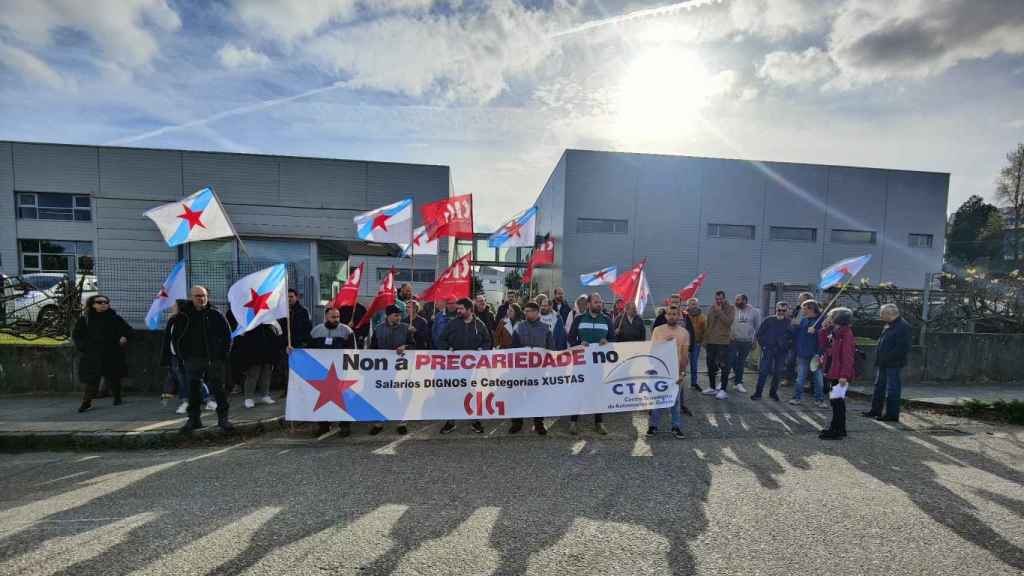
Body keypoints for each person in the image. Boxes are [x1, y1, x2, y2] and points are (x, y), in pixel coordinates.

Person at [173, 286, 233, 434]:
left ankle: (223, 419)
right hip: (193, 359)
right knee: (193, 391)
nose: (201, 298)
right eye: (198, 296)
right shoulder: (184, 316)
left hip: (214, 359)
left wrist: (222, 355)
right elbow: (176, 337)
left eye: (204, 295)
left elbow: (227, 336)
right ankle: (194, 420)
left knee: (219, 389)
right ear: (191, 298)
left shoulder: (216, 315)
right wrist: (184, 356)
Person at [438, 298, 493, 434]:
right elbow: (441, 339)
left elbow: (488, 342)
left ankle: (475, 421)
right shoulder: (453, 323)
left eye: (461, 309)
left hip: (473, 369)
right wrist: (448, 348)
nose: (458, 311)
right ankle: (451, 421)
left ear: (469, 309)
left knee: (473, 394)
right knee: (453, 393)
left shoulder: (479, 325)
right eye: (458, 308)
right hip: (455, 367)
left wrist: (482, 349)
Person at [73, 294, 133, 413]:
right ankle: (86, 402)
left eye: (105, 302)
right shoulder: (86, 319)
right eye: (99, 302)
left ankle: (117, 398)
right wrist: (84, 348)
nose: (103, 304)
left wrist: (124, 337)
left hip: (112, 352)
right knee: (92, 380)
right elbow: (77, 335)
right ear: (92, 304)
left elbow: (128, 330)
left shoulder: (114, 317)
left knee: (114, 377)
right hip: (93, 354)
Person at [568, 292, 615, 435]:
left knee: (598, 392)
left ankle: (599, 422)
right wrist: (579, 343)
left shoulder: (607, 320)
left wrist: (607, 343)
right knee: (578, 391)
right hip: (581, 363)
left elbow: (614, 339)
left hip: (599, 365)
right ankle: (573, 422)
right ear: (588, 304)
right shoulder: (579, 319)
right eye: (596, 302)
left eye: (600, 302)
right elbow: (570, 337)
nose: (599, 304)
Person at [309, 307, 355, 438]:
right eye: (333, 317)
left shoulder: (346, 331)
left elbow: (353, 351)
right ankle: (323, 425)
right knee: (322, 399)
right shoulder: (316, 331)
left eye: (338, 317)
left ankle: (345, 425)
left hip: (341, 372)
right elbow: (308, 350)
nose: (336, 319)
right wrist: (293, 351)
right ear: (326, 317)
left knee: (344, 399)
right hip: (321, 372)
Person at [370, 304, 416, 435]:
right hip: (383, 369)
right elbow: (372, 349)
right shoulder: (378, 329)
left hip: (402, 368)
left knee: (401, 394)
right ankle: (379, 421)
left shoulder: (406, 328)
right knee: (382, 395)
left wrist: (405, 347)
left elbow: (414, 346)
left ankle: (401, 422)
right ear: (388, 316)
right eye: (396, 315)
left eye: (400, 315)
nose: (399, 317)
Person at [509, 301, 554, 435]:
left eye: (528, 311)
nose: (525, 313)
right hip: (521, 369)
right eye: (525, 311)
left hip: (538, 370)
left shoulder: (546, 328)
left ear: (536, 312)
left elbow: (551, 348)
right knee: (517, 397)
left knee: (537, 397)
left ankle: (539, 423)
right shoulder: (519, 327)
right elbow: (513, 348)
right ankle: (517, 423)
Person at [162, 300, 214, 414]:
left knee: (195, 378)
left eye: (174, 306)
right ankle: (186, 402)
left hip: (187, 356)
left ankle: (207, 400)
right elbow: (168, 339)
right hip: (175, 356)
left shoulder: (186, 320)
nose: (172, 308)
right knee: (182, 380)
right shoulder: (172, 320)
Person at [647, 305, 689, 439]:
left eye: (675, 314)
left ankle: (676, 426)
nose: (672, 316)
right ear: (665, 316)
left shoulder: (684, 333)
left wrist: (682, 373)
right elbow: (652, 351)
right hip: (659, 370)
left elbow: (684, 355)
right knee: (656, 401)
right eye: (669, 314)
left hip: (675, 372)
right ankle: (653, 426)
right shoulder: (658, 330)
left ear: (679, 316)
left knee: (675, 402)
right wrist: (665, 343)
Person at [865, 303, 911, 422]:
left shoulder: (902, 326)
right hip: (884, 362)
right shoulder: (890, 325)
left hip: (893, 363)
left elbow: (902, 348)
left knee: (893, 389)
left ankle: (892, 414)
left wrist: (888, 358)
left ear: (890, 314)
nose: (880, 316)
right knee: (879, 387)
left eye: (882, 313)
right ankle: (875, 410)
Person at [228, 312, 281, 409]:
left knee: (266, 374)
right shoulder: (247, 320)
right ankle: (248, 398)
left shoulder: (270, 321)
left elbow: (276, 334)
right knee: (252, 375)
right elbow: (240, 337)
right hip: (253, 353)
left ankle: (265, 395)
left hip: (267, 352)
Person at [819, 307, 855, 440]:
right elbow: (825, 345)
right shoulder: (836, 331)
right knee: (835, 401)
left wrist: (844, 375)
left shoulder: (846, 334)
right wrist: (824, 329)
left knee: (837, 402)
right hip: (834, 371)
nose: (828, 318)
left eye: (831, 316)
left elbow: (847, 356)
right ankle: (837, 428)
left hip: (840, 374)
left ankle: (838, 430)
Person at [751, 301, 793, 401]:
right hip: (768, 349)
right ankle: (758, 393)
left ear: (787, 310)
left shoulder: (789, 322)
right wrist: (764, 345)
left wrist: (786, 346)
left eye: (784, 310)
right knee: (763, 371)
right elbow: (759, 334)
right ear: (776, 309)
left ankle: (773, 393)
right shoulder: (768, 320)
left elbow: (792, 336)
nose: (781, 312)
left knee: (778, 373)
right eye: (779, 310)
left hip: (781, 351)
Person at [790, 300, 826, 407]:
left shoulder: (821, 321)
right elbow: (796, 335)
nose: (803, 311)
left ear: (811, 309)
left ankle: (819, 399)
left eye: (804, 309)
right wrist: (793, 326)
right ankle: (797, 398)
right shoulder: (803, 321)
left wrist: (817, 332)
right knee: (800, 378)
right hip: (803, 354)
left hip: (816, 355)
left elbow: (825, 338)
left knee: (818, 379)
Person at [702, 290, 735, 399]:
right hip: (711, 341)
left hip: (723, 342)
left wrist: (720, 311)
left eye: (720, 299)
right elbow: (709, 324)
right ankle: (712, 387)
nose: (718, 301)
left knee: (724, 366)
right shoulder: (712, 307)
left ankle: (723, 390)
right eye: (717, 299)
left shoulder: (730, 308)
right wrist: (705, 339)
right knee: (711, 365)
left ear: (724, 298)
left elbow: (728, 322)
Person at [728, 293, 761, 396]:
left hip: (747, 341)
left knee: (741, 362)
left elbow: (758, 327)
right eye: (736, 299)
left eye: (738, 300)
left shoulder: (755, 312)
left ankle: (738, 383)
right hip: (733, 340)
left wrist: (755, 340)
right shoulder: (732, 309)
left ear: (745, 301)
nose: (736, 302)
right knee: (731, 359)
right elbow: (727, 323)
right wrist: (729, 334)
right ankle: (735, 376)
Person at [684, 298, 706, 392]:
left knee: (694, 364)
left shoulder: (702, 317)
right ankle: (680, 383)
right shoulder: (683, 315)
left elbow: (705, 330)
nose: (693, 305)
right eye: (691, 304)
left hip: (696, 344)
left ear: (697, 305)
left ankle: (694, 383)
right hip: (684, 344)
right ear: (688, 306)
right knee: (682, 364)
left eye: (695, 304)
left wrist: (702, 341)